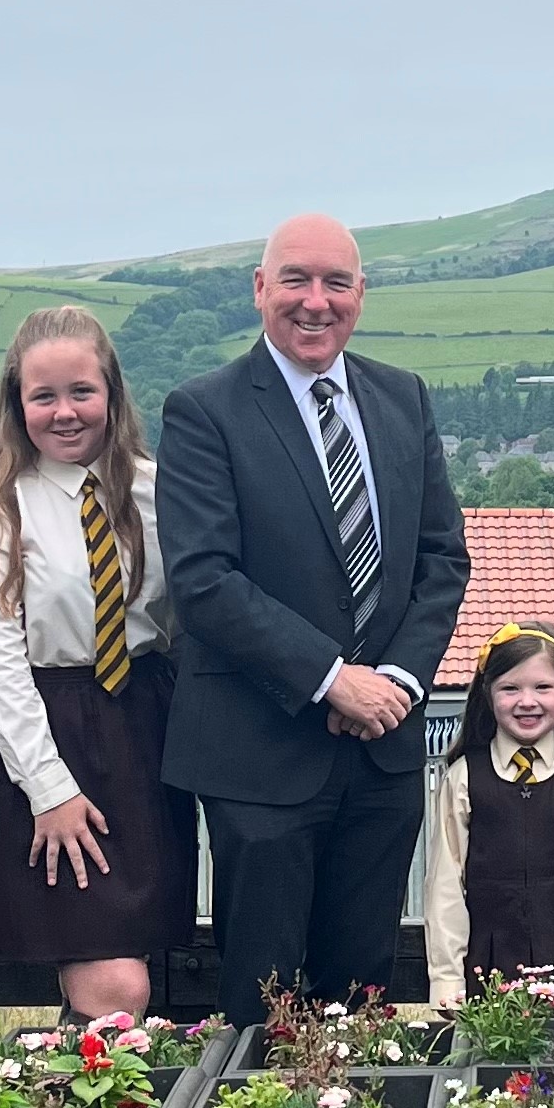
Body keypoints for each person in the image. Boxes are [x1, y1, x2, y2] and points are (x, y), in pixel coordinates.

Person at [156, 214, 470, 1027]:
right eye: (296, 279)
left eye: (336, 283)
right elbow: (203, 580)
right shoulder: (204, 411)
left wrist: (395, 681)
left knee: (363, 996)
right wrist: (333, 680)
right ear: (260, 289)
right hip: (258, 752)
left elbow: (442, 558)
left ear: (361, 295)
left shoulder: (403, 398)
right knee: (263, 1001)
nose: (315, 301)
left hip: (382, 753)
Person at [0, 308, 194, 1021]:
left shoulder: (161, 491)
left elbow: (191, 618)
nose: (64, 412)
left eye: (81, 391)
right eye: (43, 396)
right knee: (116, 985)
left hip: (147, 730)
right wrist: (47, 788)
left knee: (142, 971)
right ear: (15, 403)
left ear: (112, 393)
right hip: (47, 736)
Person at [423, 622, 554, 1014]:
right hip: (486, 965)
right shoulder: (462, 778)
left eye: (543, 687)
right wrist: (448, 982)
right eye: (510, 688)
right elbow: (444, 886)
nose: (528, 701)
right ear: (488, 696)